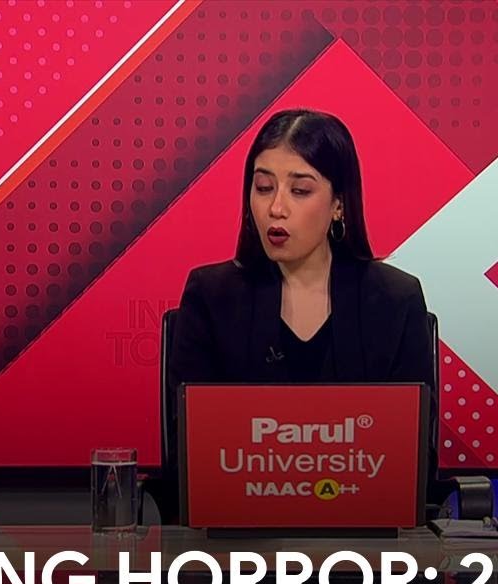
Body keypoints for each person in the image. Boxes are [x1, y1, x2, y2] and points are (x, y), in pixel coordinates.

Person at [153, 108, 437, 523]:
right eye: (263, 187)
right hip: (238, 538)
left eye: (300, 190)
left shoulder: (395, 300)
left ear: (338, 204)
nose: (276, 208)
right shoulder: (212, 297)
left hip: (363, 537)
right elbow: (191, 457)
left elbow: (413, 460)